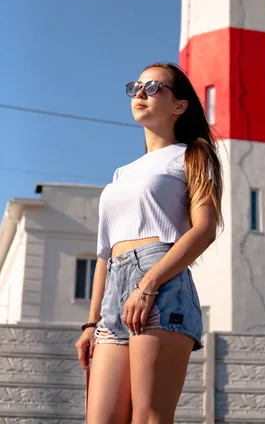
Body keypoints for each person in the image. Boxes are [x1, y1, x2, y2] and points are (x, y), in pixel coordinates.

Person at [75, 62, 223, 424]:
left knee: (149, 417)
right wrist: (91, 323)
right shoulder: (121, 173)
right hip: (115, 289)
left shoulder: (192, 155)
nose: (140, 93)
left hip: (161, 283)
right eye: (136, 87)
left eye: (154, 87)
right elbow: (105, 254)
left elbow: (204, 229)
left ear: (179, 105)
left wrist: (148, 283)